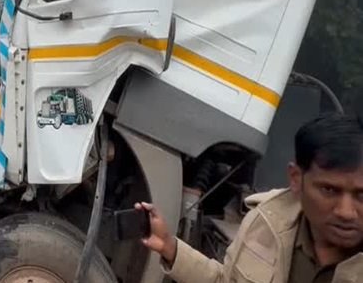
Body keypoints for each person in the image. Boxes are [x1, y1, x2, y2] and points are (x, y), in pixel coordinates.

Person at [138, 116, 363, 282]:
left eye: (361, 195)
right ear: (296, 178)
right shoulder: (267, 221)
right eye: (329, 190)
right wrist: (170, 247)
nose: (346, 211)